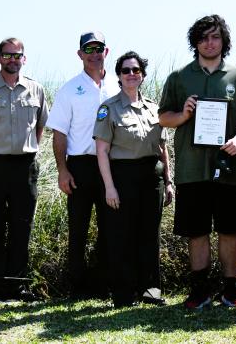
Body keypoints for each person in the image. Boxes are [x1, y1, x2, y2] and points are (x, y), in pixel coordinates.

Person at [158, 14, 236, 309]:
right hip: (191, 169)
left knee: (229, 230)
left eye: (215, 37)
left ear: (224, 41)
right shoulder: (179, 77)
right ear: (195, 42)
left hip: (227, 169)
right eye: (203, 38)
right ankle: (199, 290)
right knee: (196, 231)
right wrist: (184, 115)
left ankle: (231, 289)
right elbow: (163, 117)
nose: (209, 43)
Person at [0, 37, 48, 302]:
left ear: (24, 59)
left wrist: (25, 149)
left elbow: (39, 127)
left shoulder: (36, 89)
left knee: (21, 225)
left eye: (17, 55)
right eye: (7, 55)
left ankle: (17, 286)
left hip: (24, 166)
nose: (12, 59)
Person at [93, 51, 174, 307]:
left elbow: (163, 149)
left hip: (153, 177)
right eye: (126, 70)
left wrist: (169, 181)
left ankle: (150, 290)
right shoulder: (108, 109)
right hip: (122, 177)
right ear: (118, 76)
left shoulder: (154, 108)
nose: (131, 74)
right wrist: (109, 187)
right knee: (122, 236)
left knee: (149, 235)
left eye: (136, 70)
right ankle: (124, 293)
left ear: (142, 75)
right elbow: (102, 151)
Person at [46, 31, 120, 298]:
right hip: (79, 166)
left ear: (106, 52)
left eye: (98, 48)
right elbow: (59, 133)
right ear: (80, 54)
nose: (94, 53)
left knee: (108, 228)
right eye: (88, 49)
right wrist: (62, 170)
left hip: (111, 167)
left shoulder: (118, 86)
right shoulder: (69, 89)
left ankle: (103, 285)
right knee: (78, 228)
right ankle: (76, 287)